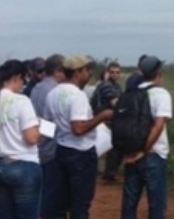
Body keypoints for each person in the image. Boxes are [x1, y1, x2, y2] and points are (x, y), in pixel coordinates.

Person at [46, 55, 114, 219]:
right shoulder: (77, 96)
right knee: (80, 203)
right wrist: (102, 117)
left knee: (61, 202)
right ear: (77, 72)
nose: (89, 73)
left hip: (61, 149)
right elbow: (78, 128)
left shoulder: (53, 93)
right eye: (86, 70)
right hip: (80, 154)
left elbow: (49, 124)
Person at [0, 60, 43, 219]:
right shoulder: (21, 101)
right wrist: (38, 127)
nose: (22, 84)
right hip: (24, 164)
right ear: (16, 77)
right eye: (23, 80)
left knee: (3, 214)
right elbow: (31, 138)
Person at [120, 56, 172, 219]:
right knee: (156, 204)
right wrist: (144, 150)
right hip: (154, 155)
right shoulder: (160, 93)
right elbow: (158, 125)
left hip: (131, 154)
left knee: (129, 204)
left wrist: (132, 151)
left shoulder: (131, 92)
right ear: (159, 72)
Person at [30, 54, 66, 219]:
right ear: (58, 70)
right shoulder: (54, 91)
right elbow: (49, 123)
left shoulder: (36, 88)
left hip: (38, 147)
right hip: (51, 148)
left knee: (41, 191)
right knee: (52, 196)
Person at [93, 62, 124, 182]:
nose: (115, 75)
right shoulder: (106, 86)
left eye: (117, 72)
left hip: (109, 120)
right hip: (102, 120)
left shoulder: (116, 86)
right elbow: (116, 103)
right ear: (107, 72)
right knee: (107, 146)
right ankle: (109, 172)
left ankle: (110, 172)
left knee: (113, 147)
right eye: (112, 72)